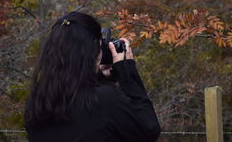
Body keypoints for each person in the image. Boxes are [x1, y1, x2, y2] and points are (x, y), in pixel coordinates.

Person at [24, 11, 161, 142]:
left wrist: (100, 77)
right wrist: (127, 73)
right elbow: (149, 129)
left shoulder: (38, 102)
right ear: (93, 50)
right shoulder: (104, 99)